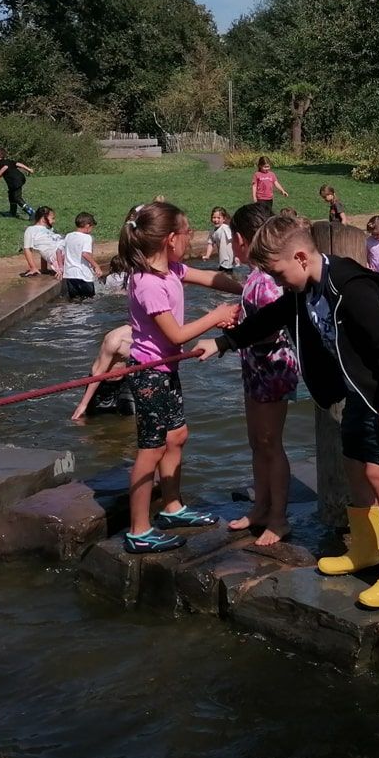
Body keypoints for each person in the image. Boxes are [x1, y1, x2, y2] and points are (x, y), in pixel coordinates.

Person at [200, 215, 379, 610]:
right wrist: (225, 342)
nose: (278, 283)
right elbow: (270, 317)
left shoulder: (350, 289)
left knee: (378, 473)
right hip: (360, 390)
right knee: (354, 465)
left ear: (301, 257)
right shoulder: (304, 290)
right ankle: (367, 549)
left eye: (279, 274)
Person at [108, 201, 242, 554]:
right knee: (150, 449)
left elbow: (211, 278)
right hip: (149, 375)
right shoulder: (148, 283)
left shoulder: (172, 270)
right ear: (170, 238)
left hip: (166, 371)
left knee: (177, 436)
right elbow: (176, 335)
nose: (190, 237)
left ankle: (171, 507)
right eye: (187, 232)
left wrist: (247, 289)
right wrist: (216, 316)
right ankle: (138, 530)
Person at [225, 203, 300, 546]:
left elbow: (271, 328)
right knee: (257, 442)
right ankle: (260, 507)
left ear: (242, 239)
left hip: (273, 368)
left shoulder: (268, 279)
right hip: (255, 366)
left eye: (233, 240)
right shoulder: (255, 276)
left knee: (271, 442)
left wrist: (238, 332)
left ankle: (279, 517)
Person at [69, 324, 135, 421]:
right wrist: (83, 404)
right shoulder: (115, 339)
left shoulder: (146, 338)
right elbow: (99, 373)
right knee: (91, 422)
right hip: (102, 385)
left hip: (123, 383)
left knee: (131, 419)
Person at [60, 212, 99, 300]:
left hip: (70, 275)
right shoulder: (87, 237)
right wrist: (96, 266)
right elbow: (85, 254)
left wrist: (60, 267)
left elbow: (58, 250)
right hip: (83, 275)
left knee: (75, 301)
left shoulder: (68, 236)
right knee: (89, 301)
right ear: (87, 226)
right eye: (92, 227)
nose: (91, 230)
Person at [0, 148, 34, 218]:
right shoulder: (8, 161)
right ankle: (12, 212)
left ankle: (31, 213)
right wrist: (28, 169)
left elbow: (5, 167)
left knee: (17, 197)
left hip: (15, 181)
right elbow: (18, 164)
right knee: (11, 195)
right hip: (19, 178)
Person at [21, 207, 61, 277]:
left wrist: (44, 269)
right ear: (43, 218)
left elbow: (44, 247)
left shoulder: (49, 231)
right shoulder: (31, 230)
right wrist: (33, 267)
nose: (54, 221)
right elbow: (27, 249)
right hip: (60, 253)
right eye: (52, 218)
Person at [206, 206, 236, 272]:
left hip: (228, 259)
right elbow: (210, 243)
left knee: (226, 274)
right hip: (222, 260)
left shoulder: (225, 228)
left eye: (218, 218)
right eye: (214, 217)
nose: (216, 220)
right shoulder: (212, 231)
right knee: (223, 273)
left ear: (224, 219)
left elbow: (233, 240)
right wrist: (207, 255)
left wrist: (236, 256)